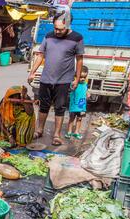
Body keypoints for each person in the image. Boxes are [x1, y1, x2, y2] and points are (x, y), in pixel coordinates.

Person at [28, 12, 84, 146]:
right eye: (55, 28)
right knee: (43, 106)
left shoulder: (77, 38)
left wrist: (76, 79)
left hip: (64, 81)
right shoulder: (48, 36)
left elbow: (79, 59)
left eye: (60, 29)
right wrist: (32, 72)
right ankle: (39, 129)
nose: (57, 31)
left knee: (60, 107)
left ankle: (56, 135)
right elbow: (40, 55)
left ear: (68, 25)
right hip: (46, 79)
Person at [66, 66, 89, 140]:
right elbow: (70, 89)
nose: (82, 79)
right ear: (76, 76)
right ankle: (69, 132)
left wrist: (87, 93)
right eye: (81, 77)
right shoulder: (74, 83)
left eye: (84, 77)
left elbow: (86, 90)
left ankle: (76, 132)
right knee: (71, 118)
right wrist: (73, 84)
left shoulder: (85, 84)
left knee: (79, 119)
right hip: (74, 105)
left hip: (82, 105)